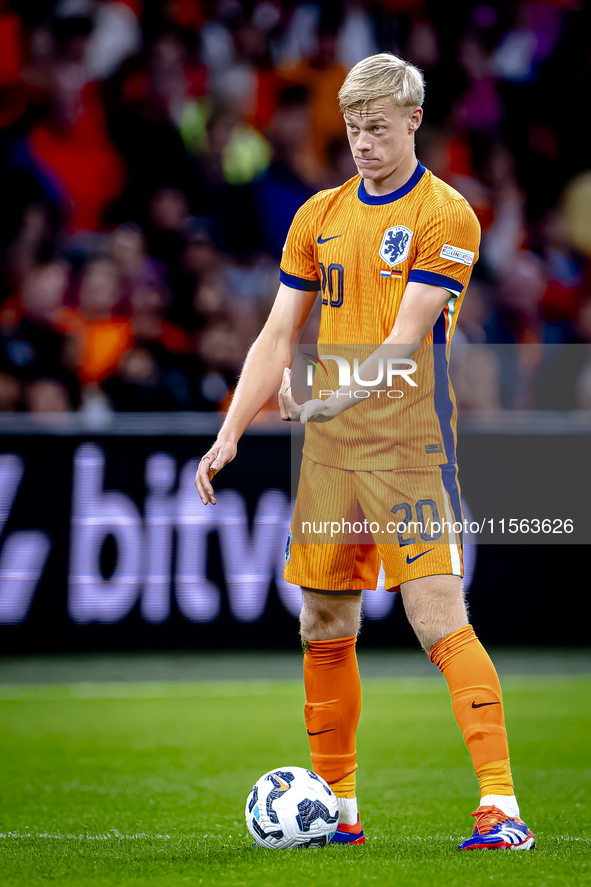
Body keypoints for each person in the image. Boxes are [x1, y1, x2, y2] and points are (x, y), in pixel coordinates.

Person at [195, 53, 535, 852]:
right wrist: (231, 429)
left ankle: (500, 806)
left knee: (435, 618)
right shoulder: (317, 213)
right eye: (351, 129)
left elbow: (404, 340)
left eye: (376, 128)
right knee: (321, 620)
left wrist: (334, 396)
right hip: (328, 455)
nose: (362, 143)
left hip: (409, 448)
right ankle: (338, 811)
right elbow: (277, 333)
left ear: (413, 121)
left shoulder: (446, 215)